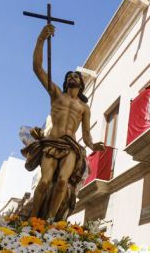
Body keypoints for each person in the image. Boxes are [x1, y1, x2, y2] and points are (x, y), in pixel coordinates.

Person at [21, 24, 105, 220]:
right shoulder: (56, 94)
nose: (73, 77)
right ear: (66, 82)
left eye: (76, 76)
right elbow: (37, 68)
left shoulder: (84, 108)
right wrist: (41, 39)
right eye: (70, 76)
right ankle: (33, 220)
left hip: (71, 147)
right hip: (51, 143)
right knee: (44, 182)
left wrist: (94, 145)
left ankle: (50, 221)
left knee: (62, 182)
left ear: (81, 85)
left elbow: (85, 134)